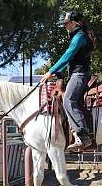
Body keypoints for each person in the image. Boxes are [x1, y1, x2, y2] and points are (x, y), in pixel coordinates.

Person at [40, 11, 95, 151]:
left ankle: (83, 136)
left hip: (80, 75)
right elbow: (70, 59)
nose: (65, 26)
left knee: (68, 100)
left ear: (75, 23)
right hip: (77, 74)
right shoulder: (79, 36)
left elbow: (67, 56)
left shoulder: (79, 37)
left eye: (66, 23)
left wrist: (50, 71)